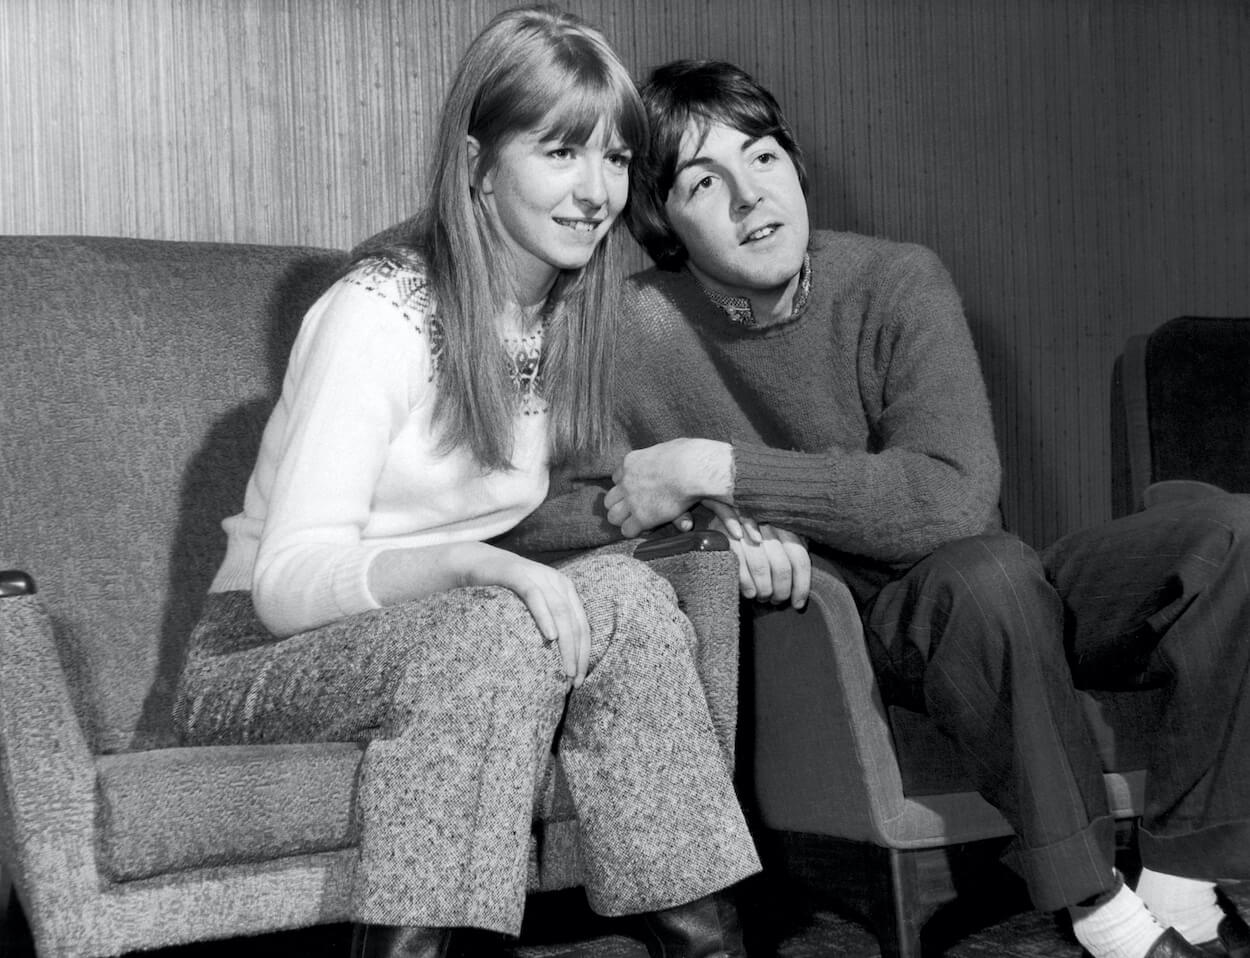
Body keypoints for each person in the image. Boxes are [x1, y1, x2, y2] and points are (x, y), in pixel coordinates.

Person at [504, 59, 1250, 958]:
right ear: (663, 222)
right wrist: (698, 532)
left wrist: (723, 469)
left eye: (765, 158)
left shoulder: (897, 281)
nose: (752, 197)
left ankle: (1184, 879)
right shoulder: (628, 330)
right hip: (858, 624)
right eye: (706, 181)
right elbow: (536, 512)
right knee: (988, 574)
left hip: (993, 591)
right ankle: (1105, 914)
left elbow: (951, 498)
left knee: (1228, 535)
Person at [173, 20, 762, 958]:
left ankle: (709, 947)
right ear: (478, 164)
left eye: (614, 157)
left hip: (425, 636)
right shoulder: (380, 314)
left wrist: (697, 516)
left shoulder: (564, 314)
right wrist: (470, 569)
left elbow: (548, 509)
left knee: (635, 602)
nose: (597, 191)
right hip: (258, 656)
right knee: (493, 626)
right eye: (561, 151)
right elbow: (286, 582)